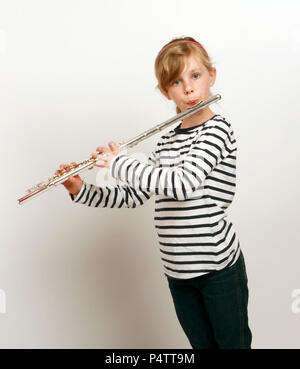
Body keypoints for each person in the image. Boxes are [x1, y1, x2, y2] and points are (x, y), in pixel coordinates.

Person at [55, 36, 252, 349]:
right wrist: (81, 189)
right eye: (176, 81)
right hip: (178, 271)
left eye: (195, 76)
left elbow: (183, 183)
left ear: (211, 76)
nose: (188, 88)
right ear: (165, 91)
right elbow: (134, 195)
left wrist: (120, 163)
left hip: (217, 269)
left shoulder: (218, 129)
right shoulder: (166, 142)